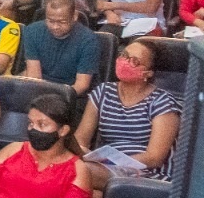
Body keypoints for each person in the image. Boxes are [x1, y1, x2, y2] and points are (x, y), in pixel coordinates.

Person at [75, 39, 181, 187]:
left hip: (149, 174)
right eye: (124, 55)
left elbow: (154, 157)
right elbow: (81, 138)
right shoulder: (103, 92)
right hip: (106, 167)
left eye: (134, 61)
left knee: (80, 171)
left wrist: (114, 163)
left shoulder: (162, 102)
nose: (125, 62)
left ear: (148, 73)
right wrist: (82, 153)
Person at [21, 0, 99, 97]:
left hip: (70, 94)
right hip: (40, 90)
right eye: (50, 21)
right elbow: (34, 76)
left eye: (62, 22)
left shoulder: (88, 40)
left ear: (74, 16)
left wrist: (58, 99)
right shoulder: (32, 31)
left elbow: (82, 84)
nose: (55, 27)